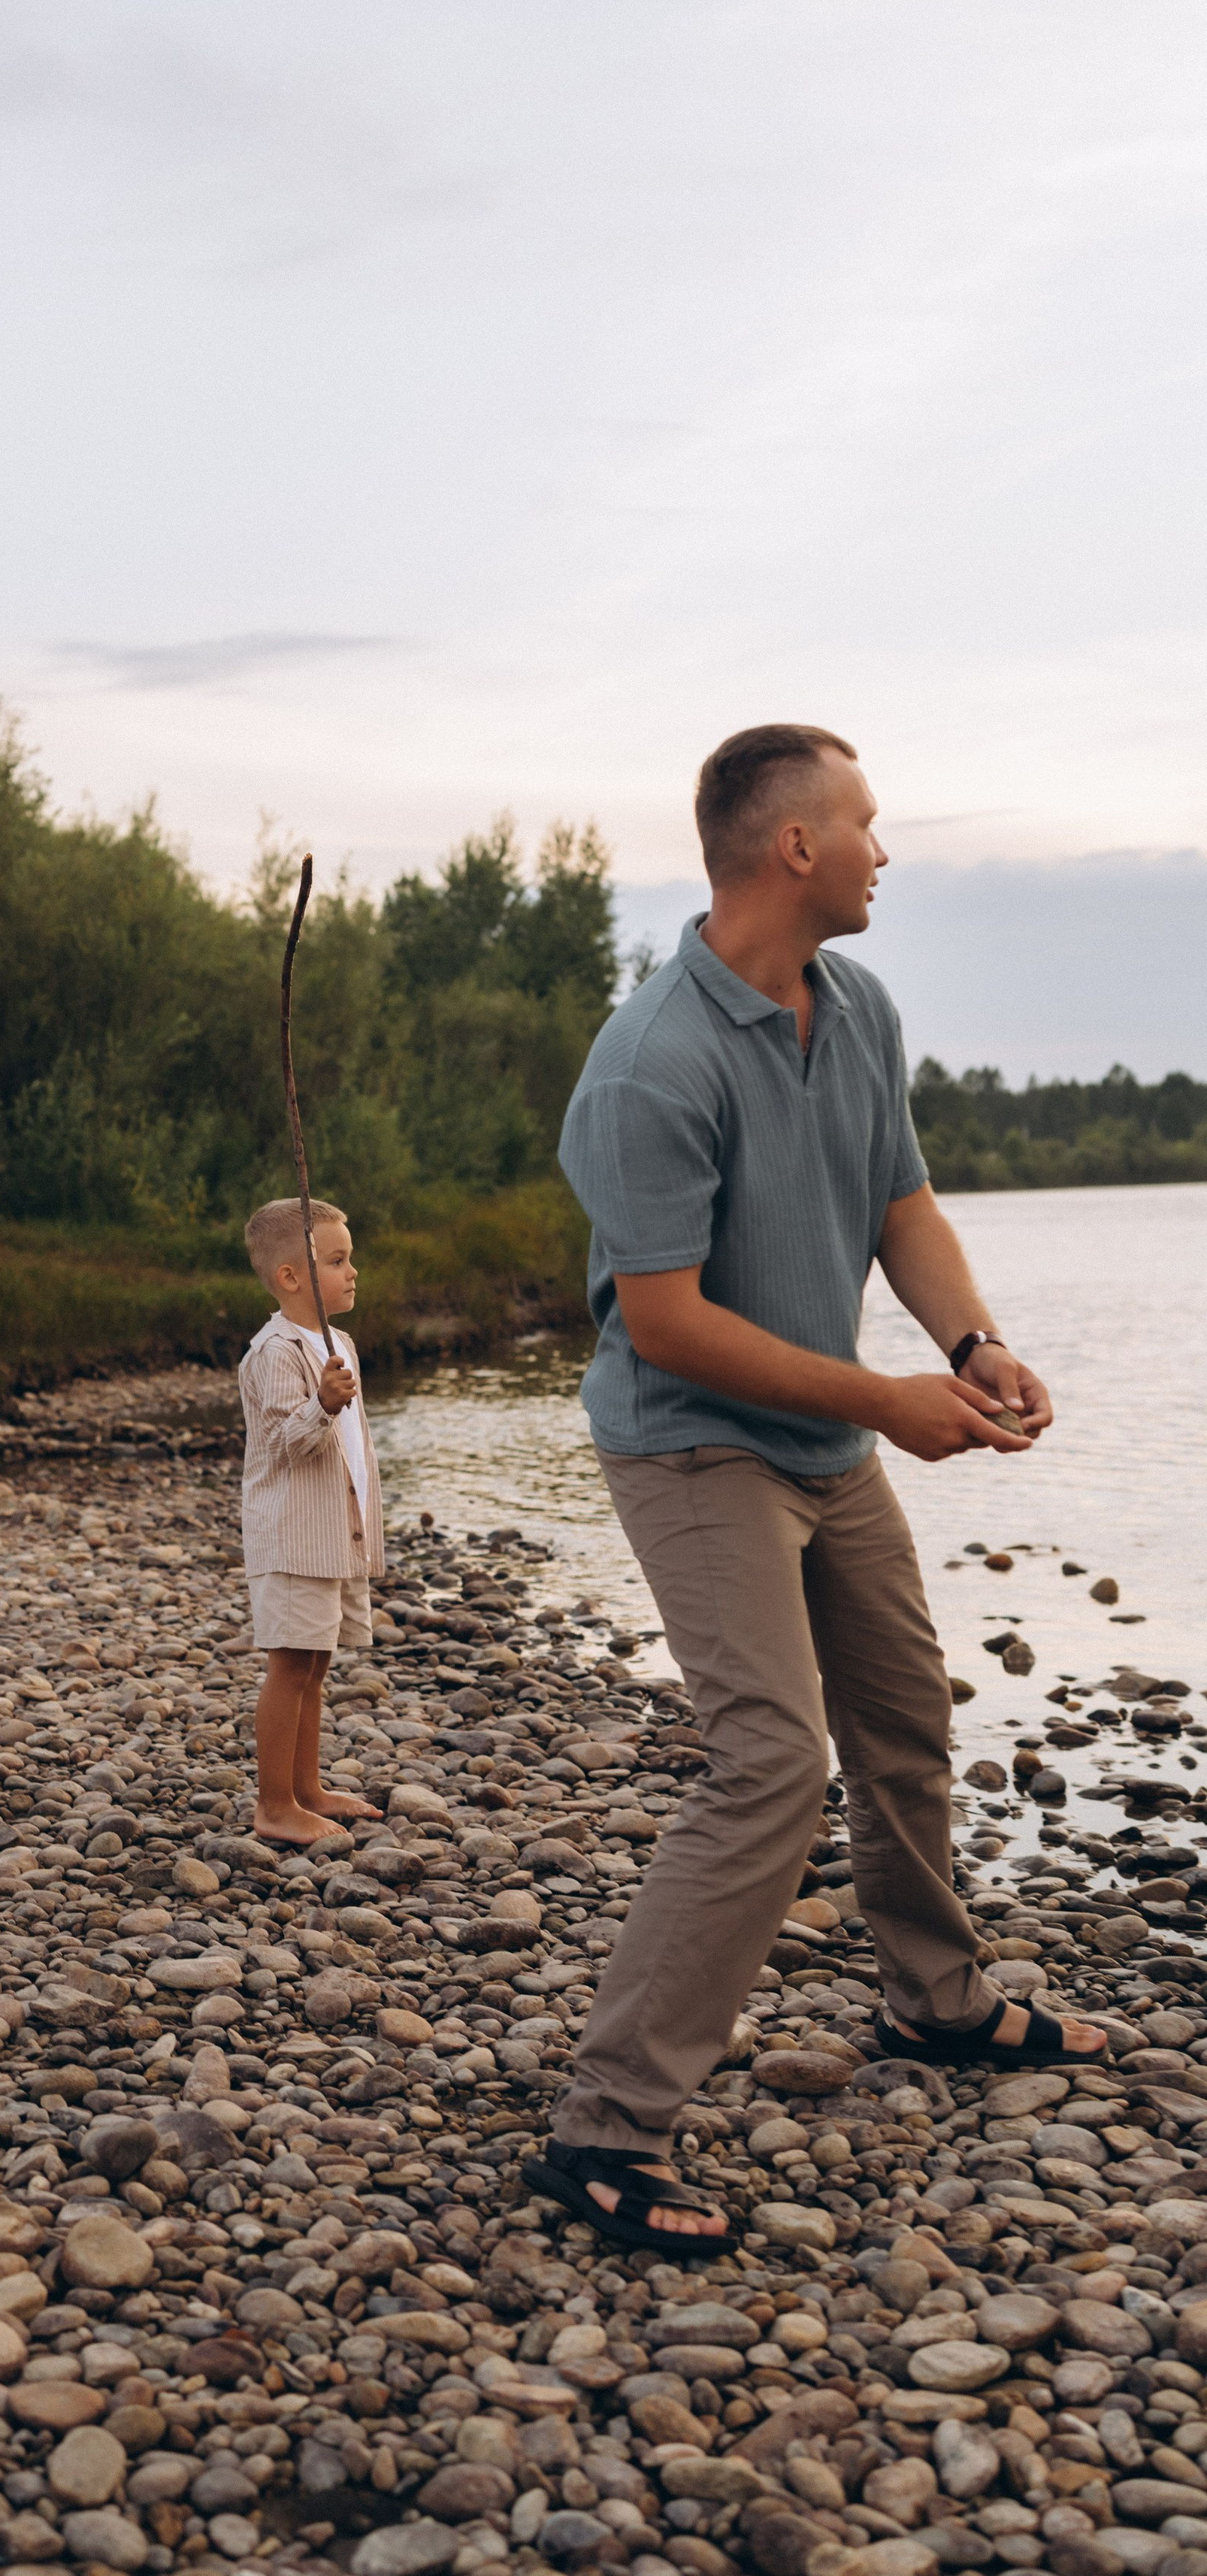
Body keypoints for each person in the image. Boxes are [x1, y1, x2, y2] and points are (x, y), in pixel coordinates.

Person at [525, 723, 1106, 2257]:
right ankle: (602, 2130)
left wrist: (969, 1346)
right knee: (770, 1765)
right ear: (792, 848)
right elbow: (665, 1323)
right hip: (689, 1441)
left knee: (904, 1709)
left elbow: (898, 1200)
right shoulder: (650, 1058)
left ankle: (937, 2002)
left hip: (824, 1444)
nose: (881, 850)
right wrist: (887, 1404)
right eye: (863, 824)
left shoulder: (855, 1008)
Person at [237, 1198, 386, 1848]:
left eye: (349, 1258)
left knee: (316, 1665)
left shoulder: (338, 1341)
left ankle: (306, 1787)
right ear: (292, 1278)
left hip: (330, 1537)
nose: (353, 1271)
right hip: (294, 1539)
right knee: (289, 1666)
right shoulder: (275, 1353)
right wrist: (322, 1405)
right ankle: (274, 1804)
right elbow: (281, 1445)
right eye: (337, 1260)